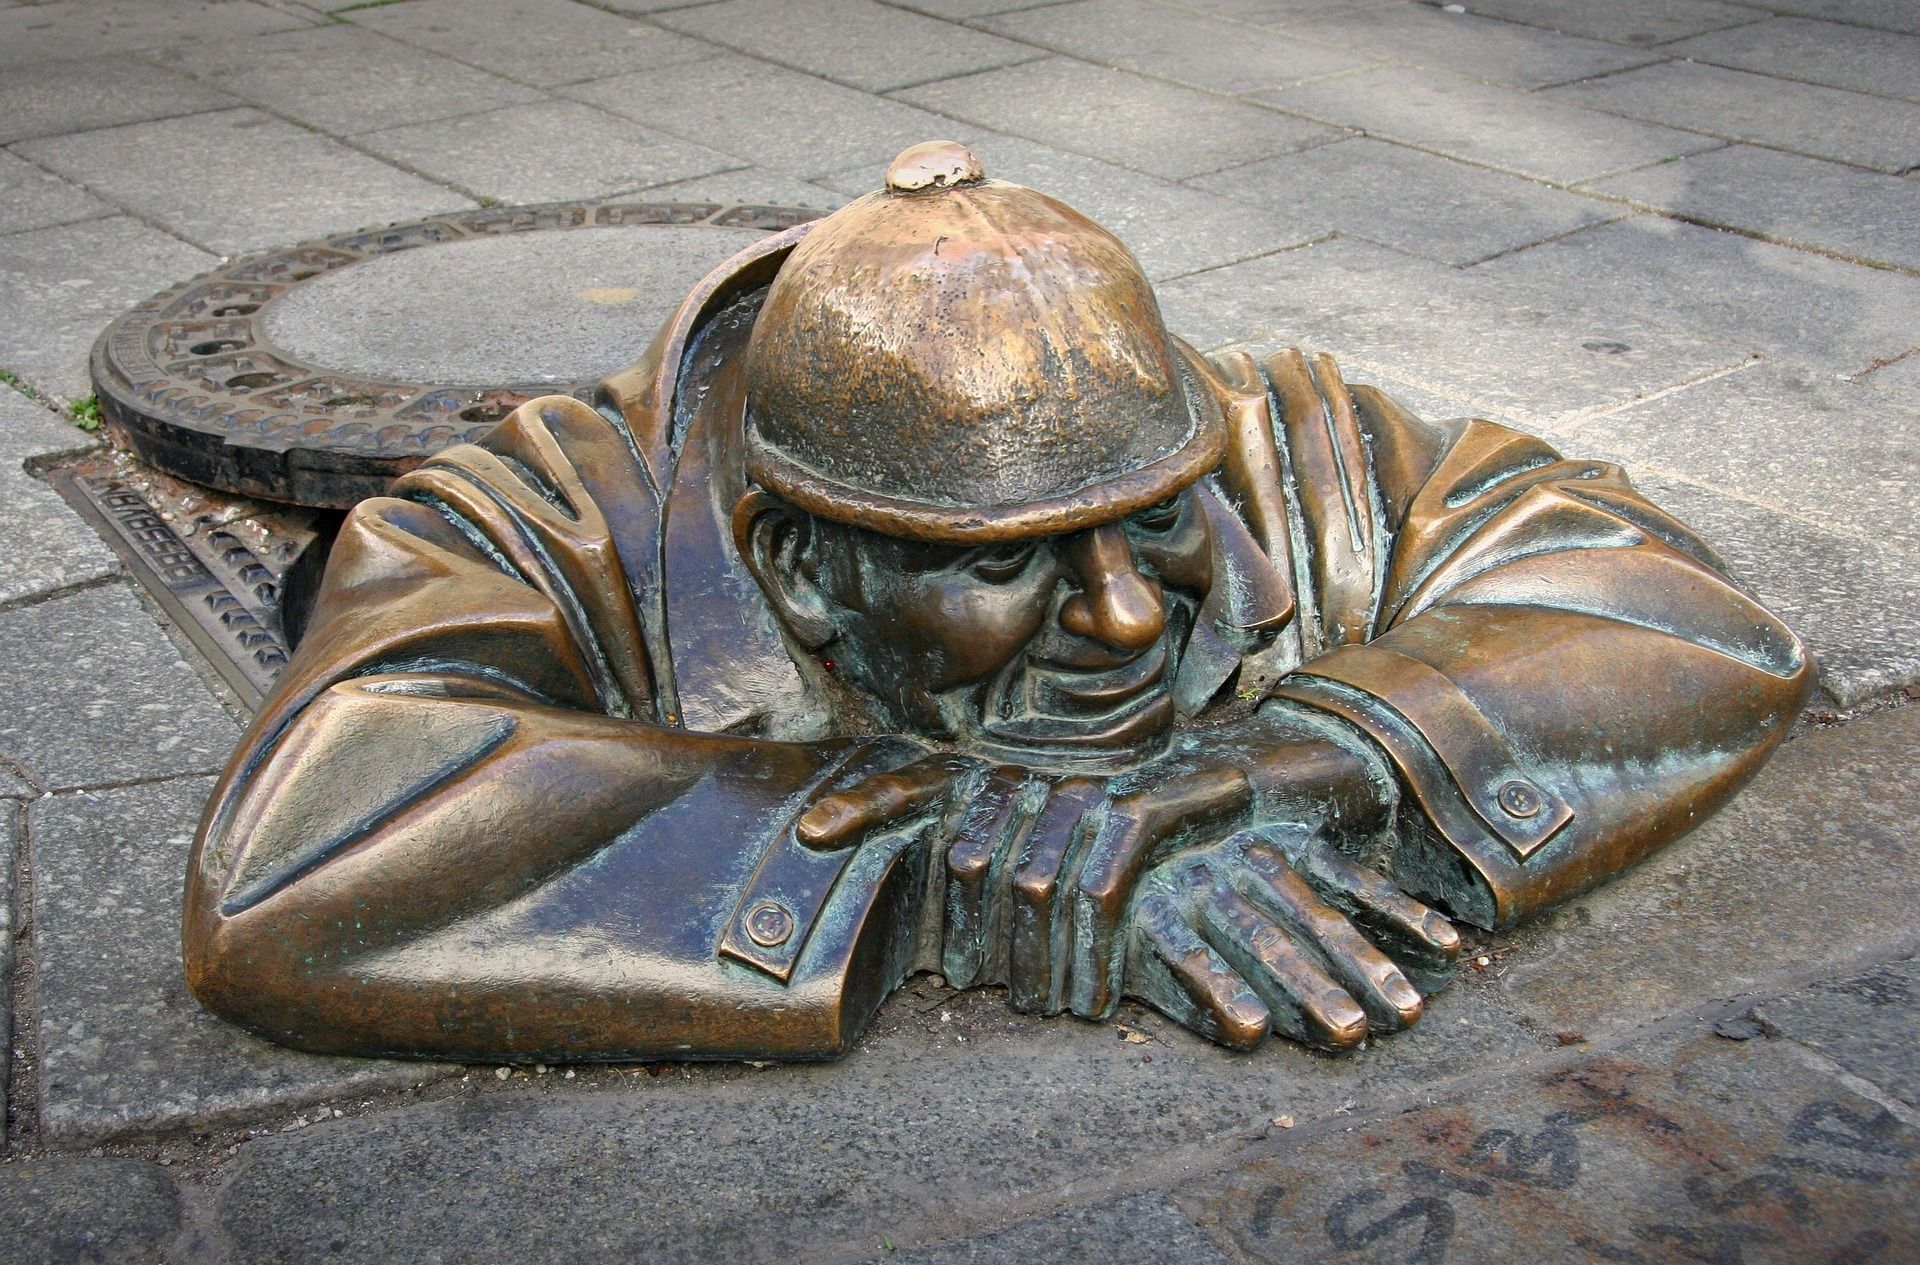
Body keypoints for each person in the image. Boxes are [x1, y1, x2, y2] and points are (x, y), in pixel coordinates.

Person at [182, 143, 1813, 1062]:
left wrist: (1286, 763)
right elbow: (303, 858)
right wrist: (944, 855)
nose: (1121, 615)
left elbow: (1680, 611)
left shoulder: (1258, 431)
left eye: (1150, 527)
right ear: (805, 570)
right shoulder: (535, 512)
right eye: (1003, 560)